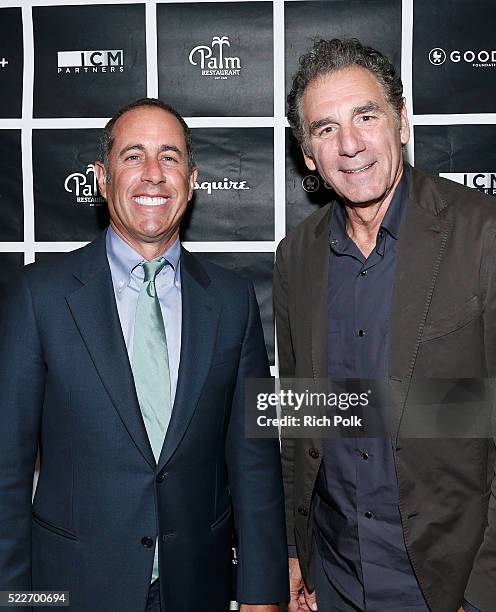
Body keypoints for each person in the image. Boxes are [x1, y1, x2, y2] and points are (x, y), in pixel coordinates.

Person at [0, 98, 288, 612]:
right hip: (72, 590)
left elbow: (255, 463)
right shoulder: (39, 296)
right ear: (100, 178)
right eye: (133, 156)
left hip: (198, 587)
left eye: (170, 157)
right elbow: (8, 469)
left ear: (193, 179)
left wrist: (263, 594)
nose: (153, 175)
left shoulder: (231, 300)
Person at [274, 39, 496, 612]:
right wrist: (299, 551)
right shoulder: (295, 255)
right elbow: (300, 416)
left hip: (448, 584)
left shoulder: (482, 234)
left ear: (401, 121)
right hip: (339, 578)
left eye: (365, 116)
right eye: (325, 129)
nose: (349, 145)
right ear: (307, 155)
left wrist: (482, 591)